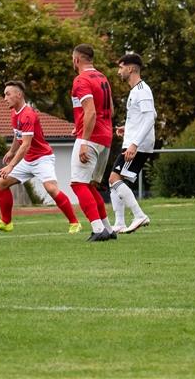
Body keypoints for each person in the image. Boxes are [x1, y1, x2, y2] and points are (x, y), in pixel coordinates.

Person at [0, 80, 81, 234]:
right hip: (28, 159)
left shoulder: (28, 114)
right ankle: (6, 222)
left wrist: (11, 166)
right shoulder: (15, 113)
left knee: (51, 189)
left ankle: (75, 223)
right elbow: (18, 136)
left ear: (19, 94)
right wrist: (11, 151)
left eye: (8, 94)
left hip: (43, 158)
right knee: (1, 183)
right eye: (4, 95)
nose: (5, 98)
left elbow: (26, 145)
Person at [69, 44, 117, 242]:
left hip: (91, 138)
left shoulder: (82, 80)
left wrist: (84, 140)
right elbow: (110, 111)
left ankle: (97, 229)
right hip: (106, 137)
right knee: (90, 185)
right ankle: (108, 228)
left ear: (77, 59)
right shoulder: (102, 77)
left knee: (78, 184)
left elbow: (91, 112)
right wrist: (81, 126)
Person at [108, 53, 154, 233]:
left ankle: (139, 215)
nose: (119, 71)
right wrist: (127, 128)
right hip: (134, 142)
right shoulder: (136, 91)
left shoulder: (142, 90)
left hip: (138, 145)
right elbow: (147, 116)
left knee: (114, 179)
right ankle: (119, 223)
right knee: (115, 180)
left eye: (121, 67)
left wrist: (134, 143)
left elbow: (150, 118)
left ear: (131, 68)